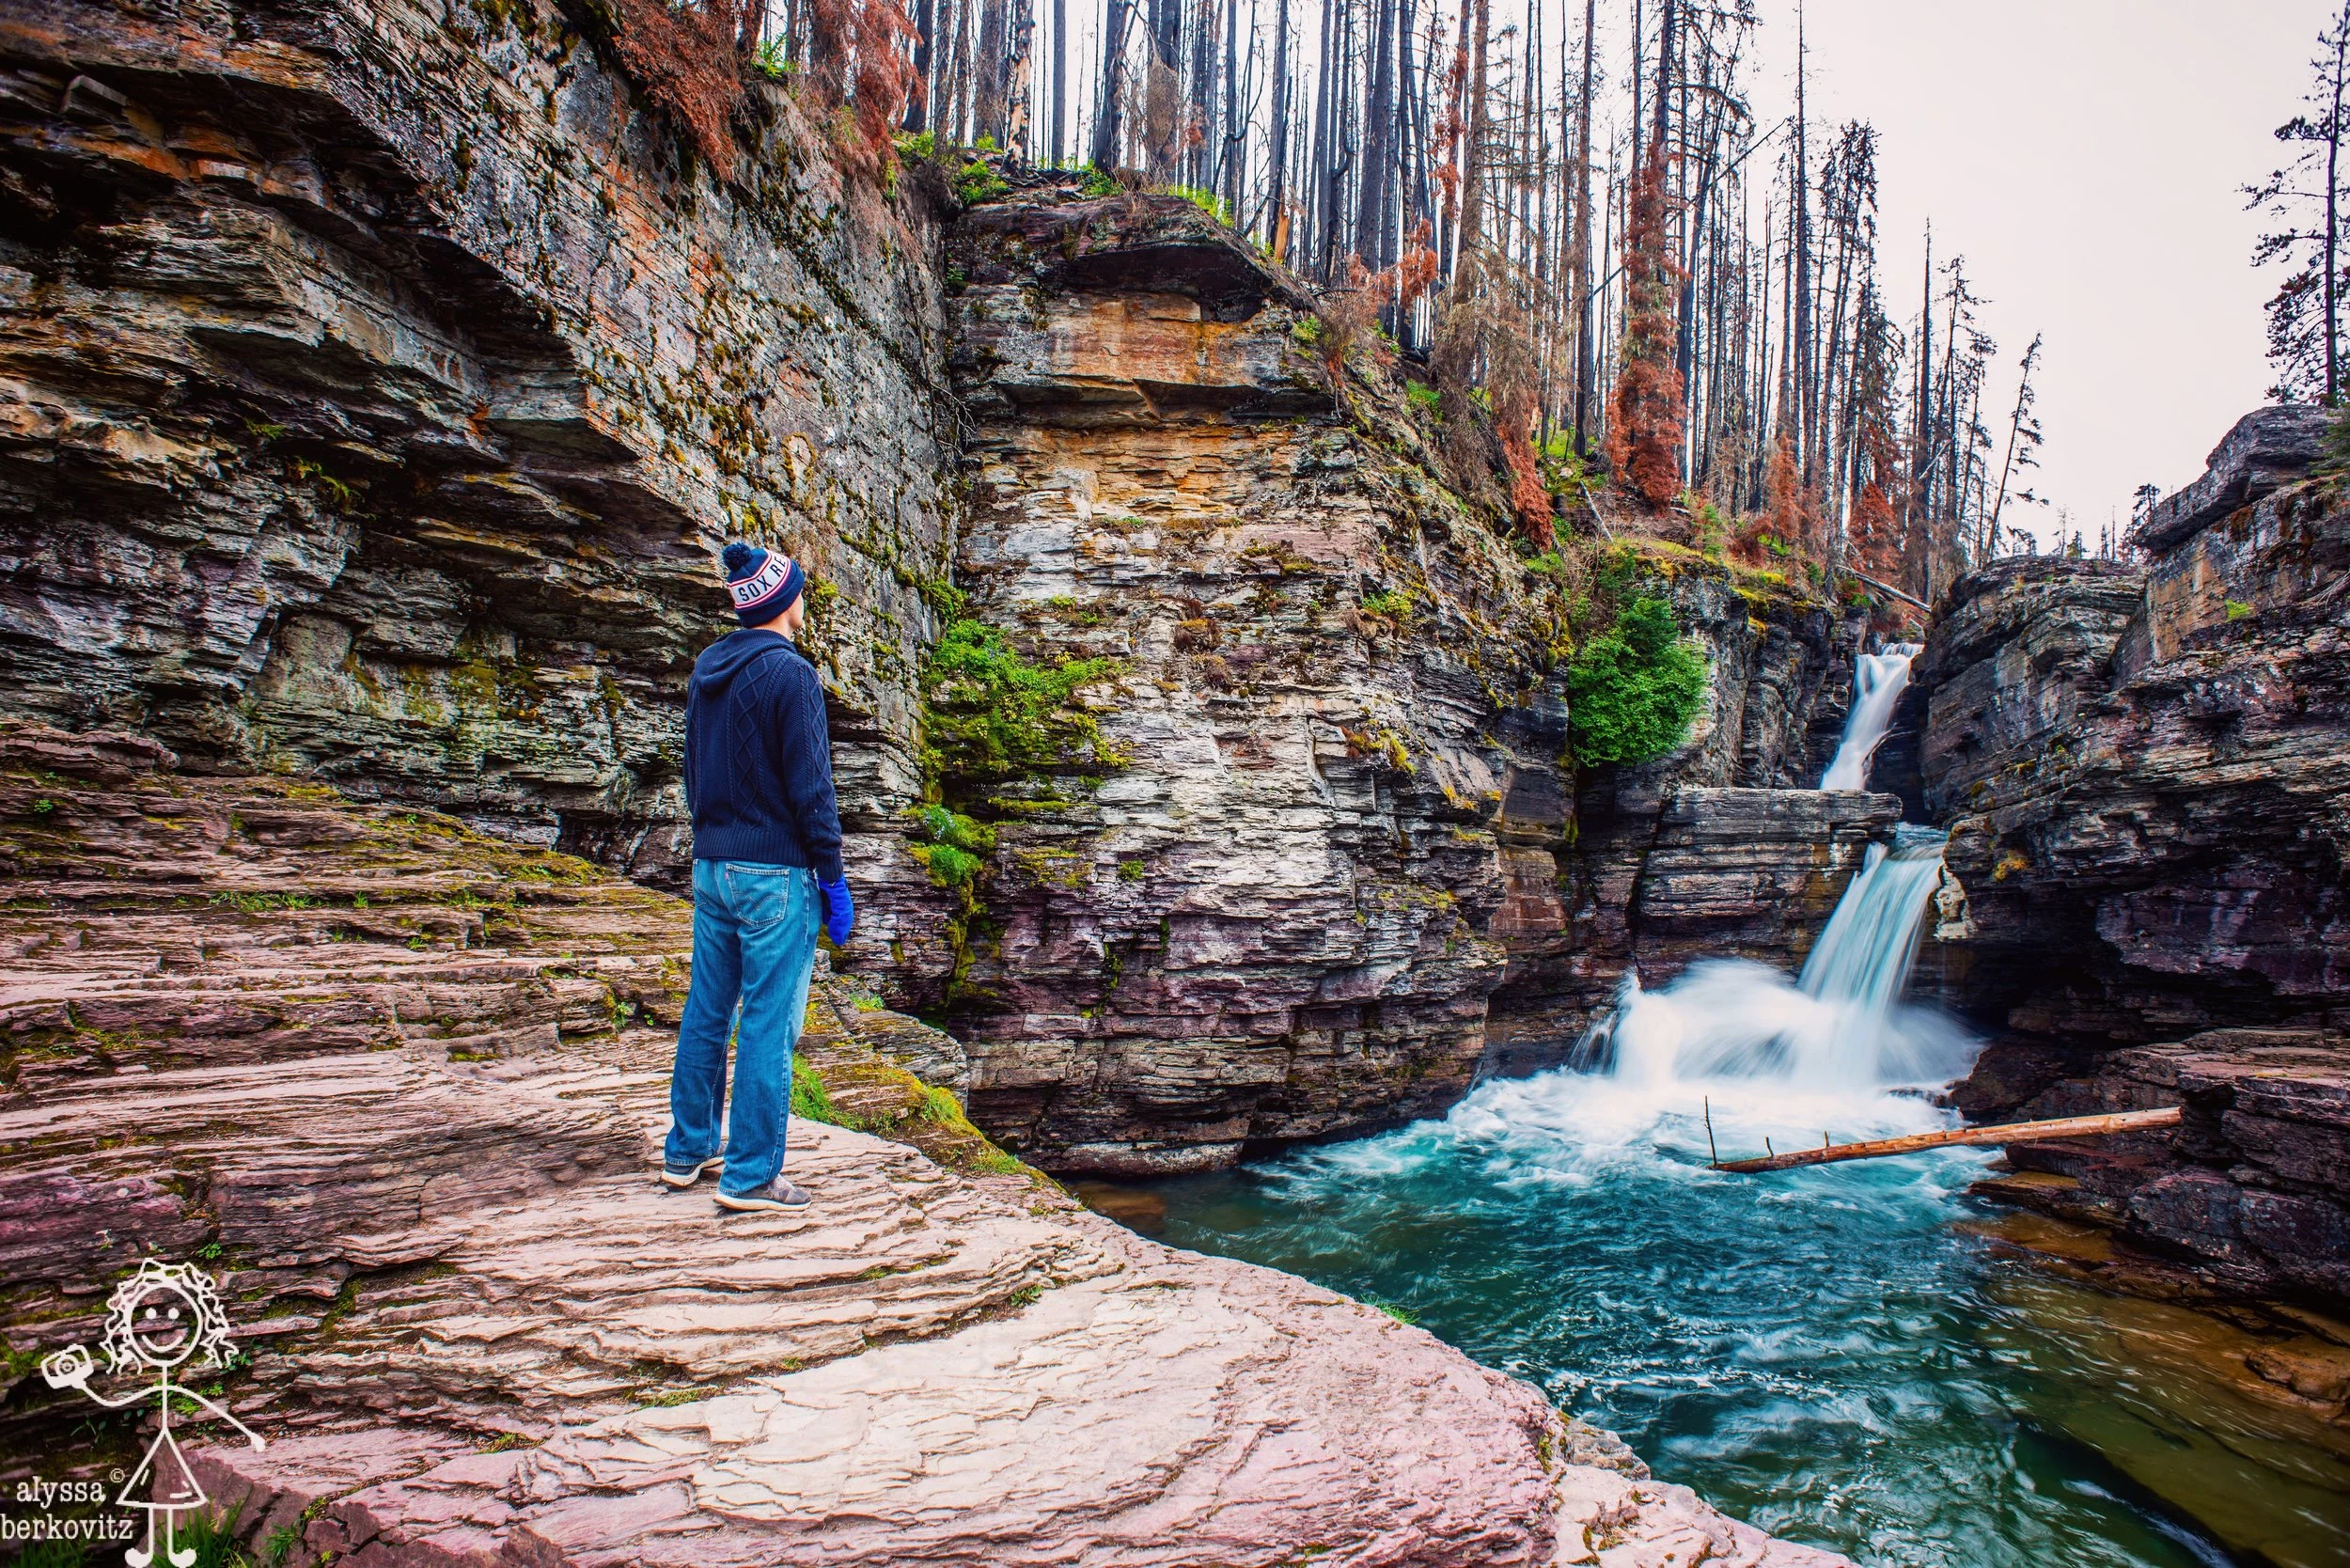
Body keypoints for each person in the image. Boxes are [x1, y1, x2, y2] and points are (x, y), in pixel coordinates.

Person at [663, 541, 855, 1213]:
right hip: (775, 874)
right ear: (784, 601)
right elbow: (813, 791)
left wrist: (712, 842)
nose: (804, 599)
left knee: (707, 1010)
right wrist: (832, 879)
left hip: (713, 865)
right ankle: (750, 1177)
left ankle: (688, 1150)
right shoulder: (792, 676)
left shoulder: (706, 670)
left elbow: (692, 771)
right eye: (799, 590)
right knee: (770, 1022)